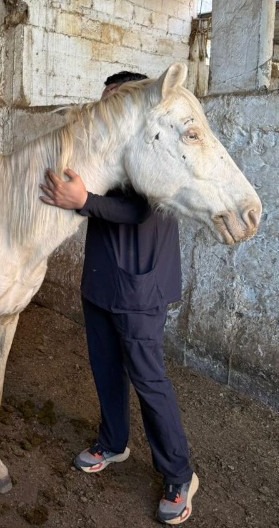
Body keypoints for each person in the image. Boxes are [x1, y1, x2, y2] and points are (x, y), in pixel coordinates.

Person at [39, 71, 199, 525]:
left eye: (115, 102)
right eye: (103, 102)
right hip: (102, 281)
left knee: (149, 380)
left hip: (141, 286)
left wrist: (82, 199)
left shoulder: (155, 148)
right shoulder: (108, 148)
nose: (106, 111)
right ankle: (113, 442)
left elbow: (140, 209)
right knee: (105, 367)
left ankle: (179, 475)